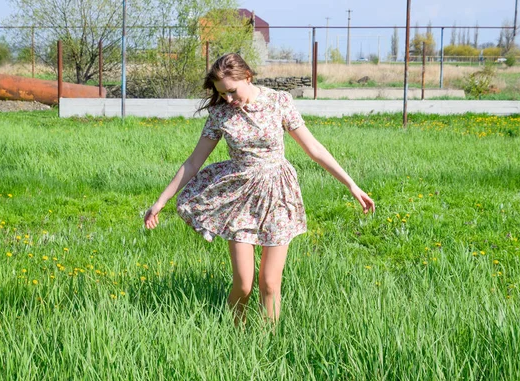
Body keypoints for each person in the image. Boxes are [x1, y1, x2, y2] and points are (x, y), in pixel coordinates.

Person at [144, 53, 375, 326]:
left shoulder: (279, 102)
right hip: (239, 197)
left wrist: (352, 185)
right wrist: (160, 201)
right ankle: (234, 335)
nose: (228, 99)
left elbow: (314, 149)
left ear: (248, 77)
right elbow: (194, 162)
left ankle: (267, 345)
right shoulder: (220, 114)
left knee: (269, 283)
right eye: (222, 93)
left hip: (278, 193)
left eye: (232, 91)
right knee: (243, 285)